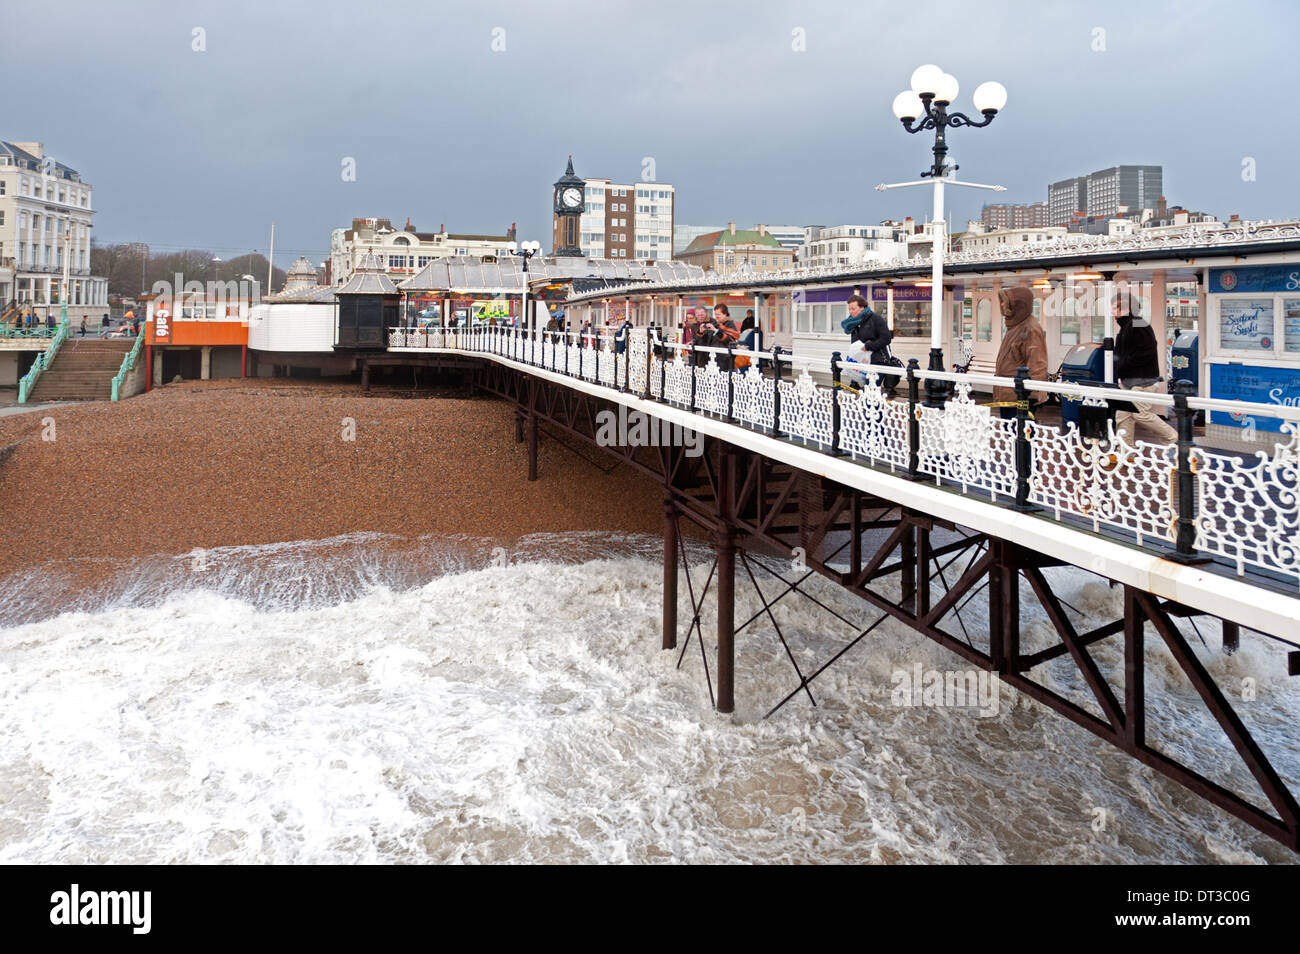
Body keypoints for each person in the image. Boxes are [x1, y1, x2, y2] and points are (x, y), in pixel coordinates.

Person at [1113, 296, 1178, 444]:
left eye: (1115, 307)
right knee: (1123, 416)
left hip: (1142, 381)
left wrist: (1124, 364)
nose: (1112, 311)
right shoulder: (1126, 327)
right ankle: (1125, 452)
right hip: (1129, 381)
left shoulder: (1138, 324)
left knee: (1140, 414)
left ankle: (1175, 439)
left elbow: (1146, 351)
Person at [991, 286, 1048, 416]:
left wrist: (1030, 394)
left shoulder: (1030, 329)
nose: (1002, 304)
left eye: (1006, 301)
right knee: (1010, 432)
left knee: (1021, 433)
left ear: (1018, 305)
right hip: (1009, 394)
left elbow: (1038, 365)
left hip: (1020, 396)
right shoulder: (1015, 327)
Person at [840, 294, 899, 392]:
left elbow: (886, 338)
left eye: (853, 309)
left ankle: (872, 406)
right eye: (849, 309)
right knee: (867, 391)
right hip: (863, 361)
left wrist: (868, 346)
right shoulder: (853, 323)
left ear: (862, 307)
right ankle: (871, 406)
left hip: (878, 360)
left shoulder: (875, 319)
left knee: (870, 390)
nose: (851, 312)